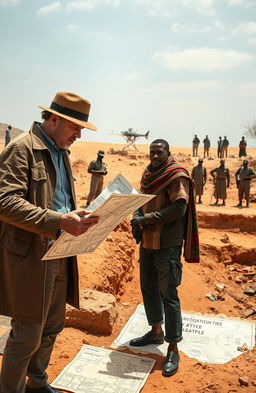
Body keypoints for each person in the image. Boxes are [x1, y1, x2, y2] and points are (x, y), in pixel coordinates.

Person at [0, 91, 99, 393]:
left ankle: (37, 384)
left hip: (62, 252)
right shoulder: (22, 149)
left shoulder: (60, 151)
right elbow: (5, 202)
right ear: (54, 119)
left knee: (52, 327)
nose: (79, 135)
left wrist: (77, 217)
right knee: (28, 333)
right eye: (75, 127)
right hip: (30, 257)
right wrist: (59, 221)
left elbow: (59, 200)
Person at [129, 139, 199, 378]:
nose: (154, 156)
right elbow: (141, 200)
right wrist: (137, 215)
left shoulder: (176, 175)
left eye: (159, 152)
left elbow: (179, 208)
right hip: (147, 244)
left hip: (167, 246)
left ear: (168, 153)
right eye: (152, 152)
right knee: (148, 288)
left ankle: (172, 347)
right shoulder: (148, 174)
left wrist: (146, 219)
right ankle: (156, 331)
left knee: (169, 295)